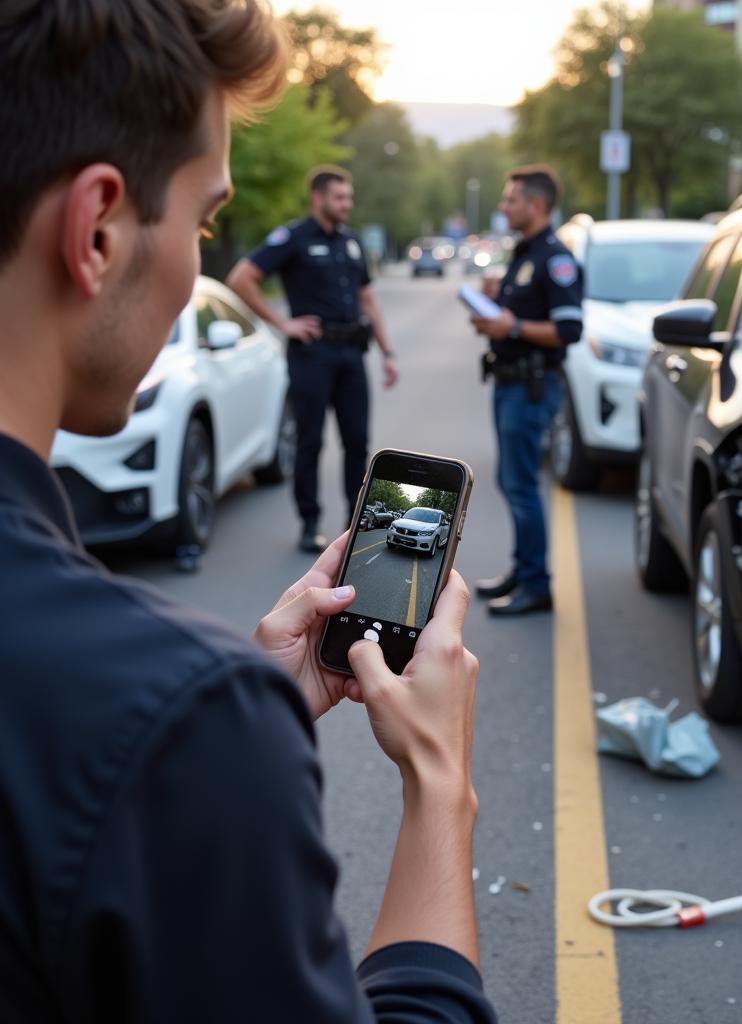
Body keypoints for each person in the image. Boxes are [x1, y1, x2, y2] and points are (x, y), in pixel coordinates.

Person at [0, 3, 494, 1022]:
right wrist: (440, 784)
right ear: (97, 229)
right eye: (201, 215)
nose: (197, 267)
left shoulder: (181, 712)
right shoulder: (173, 721)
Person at [227, 167, 399, 554]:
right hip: (312, 354)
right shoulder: (294, 238)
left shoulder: (352, 242)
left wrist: (387, 353)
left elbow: (367, 299)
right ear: (318, 199)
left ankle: (353, 524)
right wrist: (283, 324)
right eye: (339, 198)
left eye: (349, 198)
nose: (346, 205)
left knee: (357, 442)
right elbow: (241, 277)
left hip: (352, 354)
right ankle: (309, 523)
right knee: (310, 441)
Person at [471, 165, 584, 616]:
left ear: (535, 205)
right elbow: (515, 319)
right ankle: (523, 569)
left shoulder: (554, 256)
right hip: (509, 382)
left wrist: (510, 323)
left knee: (520, 485)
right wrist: (493, 306)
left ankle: (537, 584)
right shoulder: (526, 253)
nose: (503, 207)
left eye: (510, 200)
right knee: (511, 480)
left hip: (531, 388)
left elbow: (569, 328)